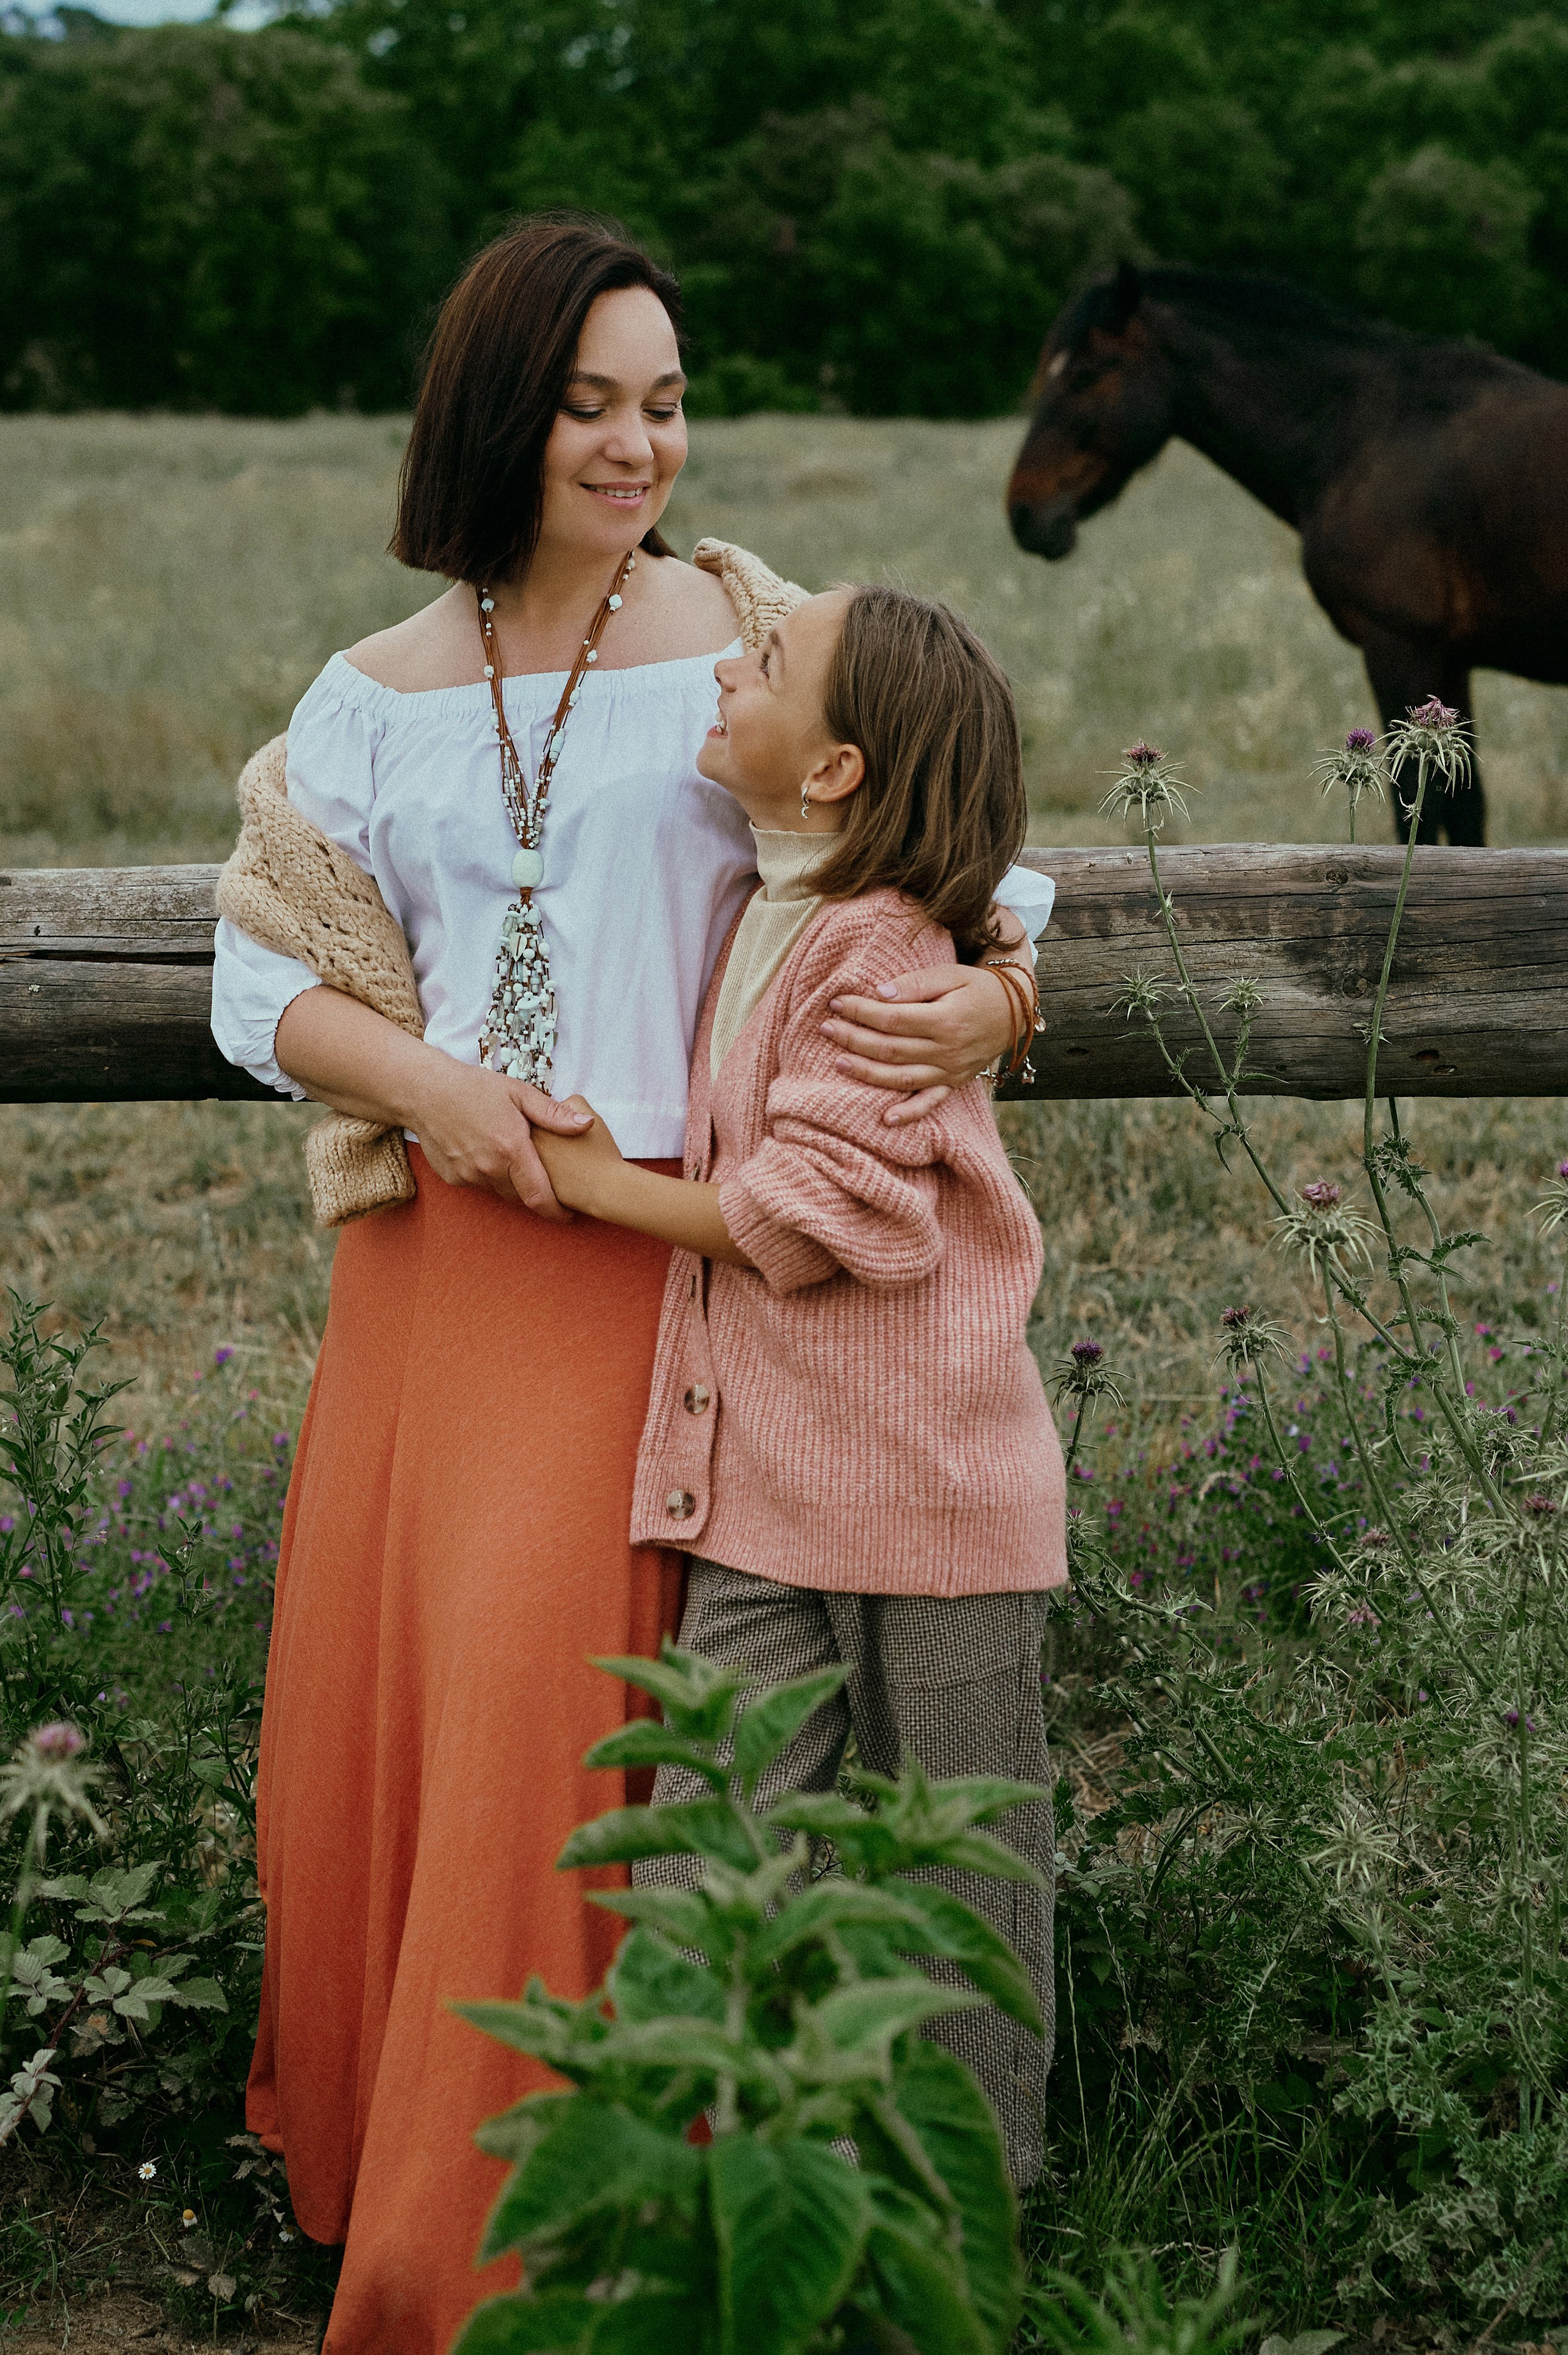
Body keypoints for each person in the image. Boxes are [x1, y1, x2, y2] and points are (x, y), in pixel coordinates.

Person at [208, 215, 1052, 2354]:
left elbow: (970, 857)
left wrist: (1003, 998)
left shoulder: (756, 641)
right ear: (499, 411)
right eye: (589, 403)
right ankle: (424, 2211)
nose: (636, 445)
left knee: (583, 1739)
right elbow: (256, 979)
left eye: (665, 402)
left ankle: (614, 2241)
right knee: (439, 1732)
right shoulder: (366, 699)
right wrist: (432, 1088)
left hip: (671, 1271)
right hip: (439, 1286)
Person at [531, 580, 1068, 2188]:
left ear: (835, 769)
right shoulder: (785, 897)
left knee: (964, 1877)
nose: (723, 666)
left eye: (761, 663)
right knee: (717, 1842)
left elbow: (817, 1217)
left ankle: (972, 2225)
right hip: (770, 1488)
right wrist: (1012, 973)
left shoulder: (879, 947)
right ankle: (723, 2190)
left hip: (933, 1494)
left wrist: (596, 1187)